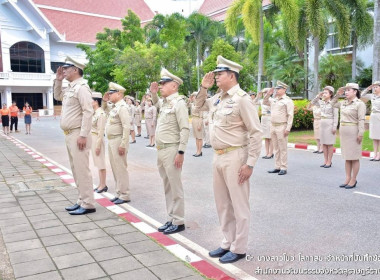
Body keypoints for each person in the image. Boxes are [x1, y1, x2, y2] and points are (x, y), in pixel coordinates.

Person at [195, 56, 262, 264]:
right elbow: (198, 106)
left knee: (239, 205)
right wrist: (204, 88)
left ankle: (239, 247)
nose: (215, 77)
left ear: (231, 76)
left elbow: (256, 132)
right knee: (222, 203)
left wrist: (250, 163)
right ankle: (227, 241)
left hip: (235, 156)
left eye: (219, 74)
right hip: (218, 156)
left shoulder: (242, 99)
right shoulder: (216, 99)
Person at [149, 68, 190, 235]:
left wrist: (181, 152)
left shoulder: (179, 103)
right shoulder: (166, 103)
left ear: (174, 86)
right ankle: (171, 217)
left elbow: (185, 129)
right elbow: (156, 103)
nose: (161, 87)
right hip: (161, 150)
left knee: (175, 186)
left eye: (164, 84)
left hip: (172, 150)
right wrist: (153, 94)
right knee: (167, 186)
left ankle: (179, 221)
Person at [53, 56, 95, 215]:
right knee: (75, 169)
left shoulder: (82, 87)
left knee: (82, 170)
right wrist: (58, 80)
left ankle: (88, 203)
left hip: (78, 134)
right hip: (70, 134)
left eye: (66, 68)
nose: (63, 70)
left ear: (75, 69)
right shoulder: (71, 87)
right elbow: (57, 96)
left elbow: (88, 111)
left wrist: (83, 135)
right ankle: (81, 199)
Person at [332, 83, 366, 189]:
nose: (346, 92)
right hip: (344, 131)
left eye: (348, 90)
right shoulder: (343, 103)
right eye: (345, 90)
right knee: (347, 157)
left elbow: (361, 120)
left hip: (353, 131)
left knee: (354, 157)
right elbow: (332, 103)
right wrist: (338, 94)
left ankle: (353, 179)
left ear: (355, 91)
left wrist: (360, 133)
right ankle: (347, 178)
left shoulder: (359, 104)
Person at [102, 82, 131, 204]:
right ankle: (119, 192)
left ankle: (125, 195)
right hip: (112, 140)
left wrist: (123, 144)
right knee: (115, 168)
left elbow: (126, 126)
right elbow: (103, 108)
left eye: (111, 93)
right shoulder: (114, 107)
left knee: (121, 168)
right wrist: (104, 100)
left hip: (118, 140)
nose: (109, 95)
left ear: (119, 94)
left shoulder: (122, 107)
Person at [264, 81, 294, 175]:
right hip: (273, 125)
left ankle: (283, 167)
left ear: (284, 89)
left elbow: (290, 115)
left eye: (279, 89)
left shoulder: (287, 101)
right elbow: (265, 102)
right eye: (276, 89)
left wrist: (288, 128)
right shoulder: (274, 99)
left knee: (282, 148)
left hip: (282, 126)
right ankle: (277, 166)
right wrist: (268, 94)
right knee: (276, 147)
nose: (277, 90)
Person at [311, 86, 339, 168]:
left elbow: (336, 116)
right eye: (323, 92)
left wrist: (334, 126)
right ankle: (325, 160)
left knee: (329, 144)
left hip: (329, 124)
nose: (324, 94)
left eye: (326, 92)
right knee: (324, 144)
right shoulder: (321, 102)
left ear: (330, 94)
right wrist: (318, 96)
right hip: (322, 124)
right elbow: (313, 102)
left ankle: (329, 161)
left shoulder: (334, 103)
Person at [91, 92, 107, 193]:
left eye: (91, 100)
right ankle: (100, 184)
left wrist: (98, 146)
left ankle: (103, 185)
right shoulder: (95, 113)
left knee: (101, 163)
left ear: (96, 101)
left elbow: (101, 131)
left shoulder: (101, 113)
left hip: (97, 140)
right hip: (93, 139)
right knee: (97, 163)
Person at [361, 81, 380, 161]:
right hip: (373, 116)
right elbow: (362, 95)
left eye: (376, 87)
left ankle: (379, 154)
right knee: (374, 137)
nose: (375, 88)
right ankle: (375, 154)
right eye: (374, 87)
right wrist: (368, 88)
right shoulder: (372, 96)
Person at [257, 88, 274, 159]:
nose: (264, 94)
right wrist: (258, 96)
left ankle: (271, 153)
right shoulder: (261, 101)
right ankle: (267, 153)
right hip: (263, 118)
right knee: (266, 137)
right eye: (264, 93)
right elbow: (253, 103)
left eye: (265, 92)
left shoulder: (272, 100)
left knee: (271, 137)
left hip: (269, 118)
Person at [189, 92, 203, 157]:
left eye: (195, 96)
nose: (194, 97)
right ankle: (197, 150)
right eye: (193, 96)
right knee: (196, 137)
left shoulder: (200, 105)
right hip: (193, 120)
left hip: (198, 120)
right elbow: (186, 105)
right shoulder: (192, 104)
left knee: (199, 137)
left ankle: (200, 151)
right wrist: (189, 99)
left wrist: (199, 124)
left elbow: (201, 116)